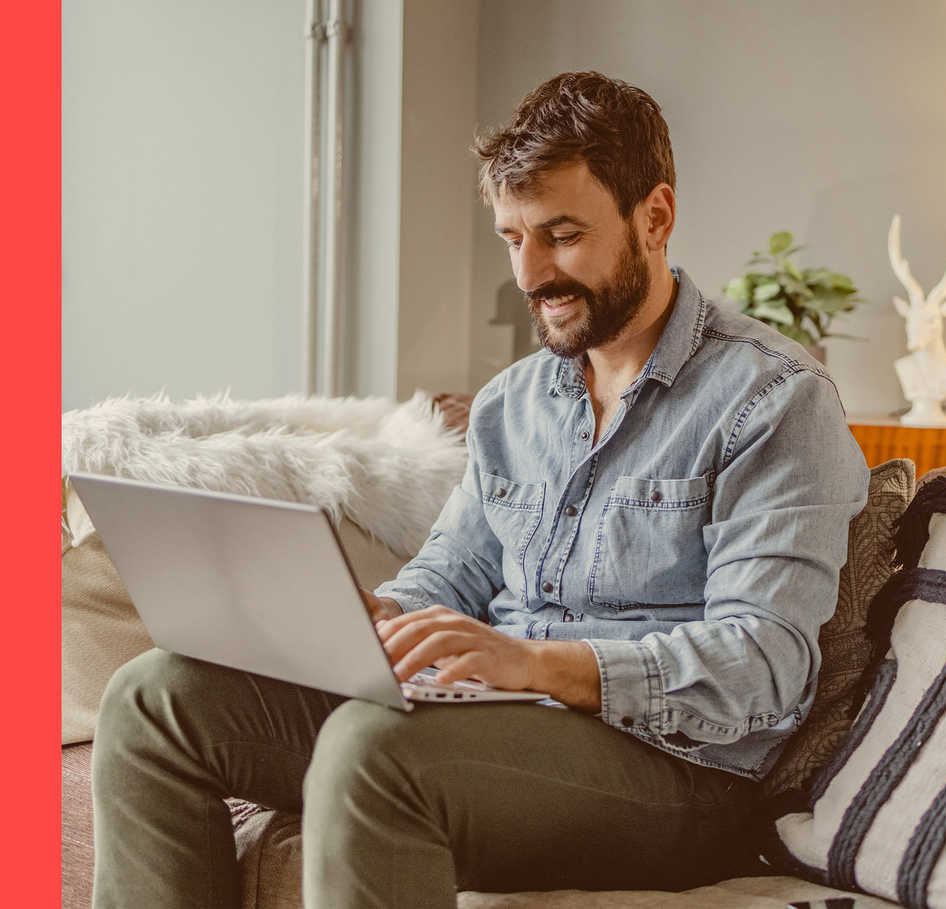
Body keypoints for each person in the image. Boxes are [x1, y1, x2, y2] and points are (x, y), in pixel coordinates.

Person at [91, 72, 870, 908]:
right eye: (512, 237)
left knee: (371, 745)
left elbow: (766, 662)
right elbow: (445, 578)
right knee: (153, 697)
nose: (531, 273)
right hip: (497, 726)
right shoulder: (514, 402)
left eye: (562, 235)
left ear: (655, 216)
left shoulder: (774, 398)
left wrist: (538, 663)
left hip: (681, 770)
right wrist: (367, 620)